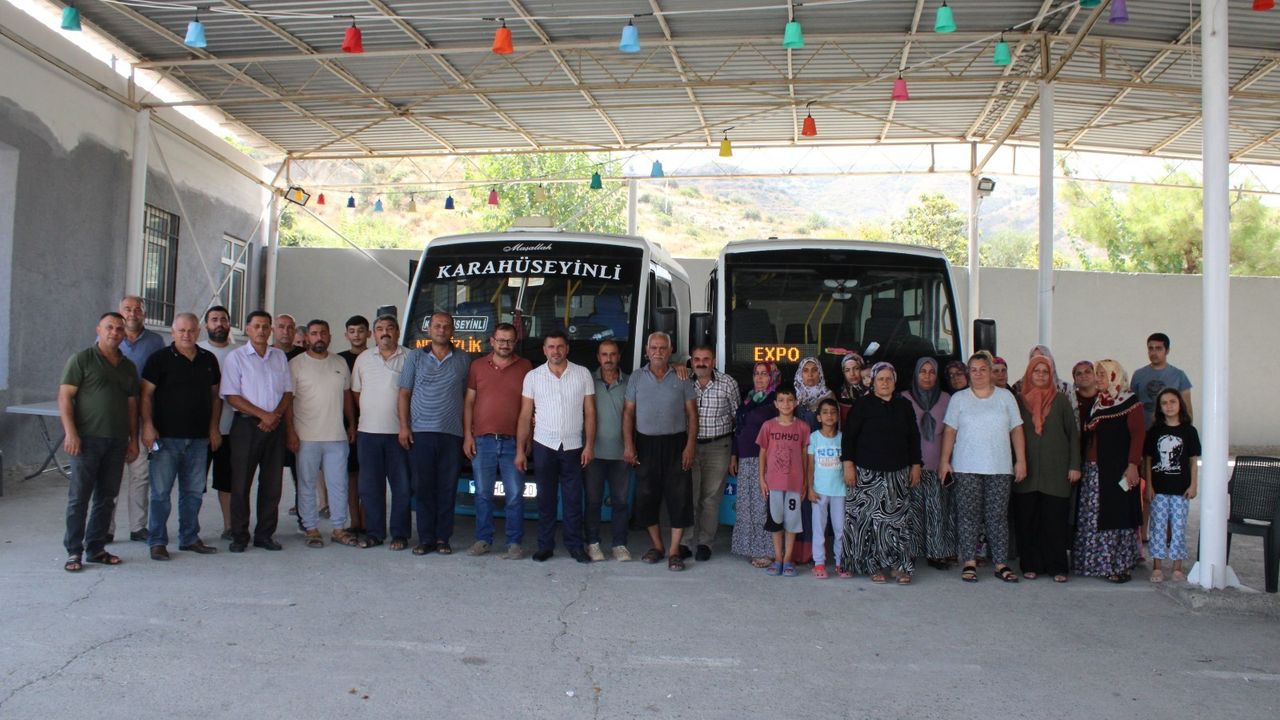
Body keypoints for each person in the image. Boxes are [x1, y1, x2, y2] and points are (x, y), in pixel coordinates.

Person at [58, 312, 140, 571]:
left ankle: (96, 548)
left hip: (116, 442)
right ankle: (74, 551)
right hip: (86, 440)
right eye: (109, 327)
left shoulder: (128, 367)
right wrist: (71, 432)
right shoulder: (82, 359)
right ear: (99, 329)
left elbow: (131, 406)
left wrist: (133, 439)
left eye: (119, 329)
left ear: (124, 334)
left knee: (107, 497)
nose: (114, 332)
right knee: (79, 497)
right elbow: (65, 398)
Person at [938, 353, 1027, 583]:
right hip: (966, 466)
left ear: (990, 372)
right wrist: (944, 461)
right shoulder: (959, 399)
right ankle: (969, 562)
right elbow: (950, 431)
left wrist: (1021, 460)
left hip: (999, 466)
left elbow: (1016, 429)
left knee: (997, 517)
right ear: (969, 373)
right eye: (974, 369)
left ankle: (1000, 563)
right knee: (968, 516)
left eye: (982, 369)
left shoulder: (1006, 397)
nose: (978, 373)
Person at [140, 312, 222, 560]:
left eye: (191, 330)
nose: (186, 335)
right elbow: (145, 395)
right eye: (181, 331)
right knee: (161, 493)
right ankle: (157, 541)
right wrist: (147, 426)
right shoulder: (159, 359)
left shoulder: (209, 359)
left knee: (194, 492)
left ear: (199, 332)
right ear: (173, 332)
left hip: (198, 439)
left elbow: (215, 397)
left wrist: (213, 428)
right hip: (166, 438)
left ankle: (189, 537)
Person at [516, 331, 595, 563]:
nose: (556, 351)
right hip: (544, 445)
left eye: (560, 346)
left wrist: (589, 445)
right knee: (545, 499)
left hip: (573, 446)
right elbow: (524, 415)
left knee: (573, 498)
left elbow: (590, 412)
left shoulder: (582, 374)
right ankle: (545, 546)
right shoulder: (533, 376)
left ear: (567, 349)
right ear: (544, 350)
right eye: (551, 347)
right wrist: (520, 450)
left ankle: (575, 545)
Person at [840, 363, 922, 584]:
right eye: (880, 379)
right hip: (867, 474)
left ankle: (899, 566)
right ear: (873, 382)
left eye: (889, 379)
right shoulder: (863, 405)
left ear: (895, 381)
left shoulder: (904, 406)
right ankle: (872, 566)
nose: (885, 383)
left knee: (898, 522)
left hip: (898, 473)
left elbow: (914, 438)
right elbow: (849, 437)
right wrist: (848, 465)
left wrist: (916, 465)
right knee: (868, 523)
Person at [623, 332, 698, 571]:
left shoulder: (681, 376)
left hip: (676, 443)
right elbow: (628, 414)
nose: (657, 352)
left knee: (679, 498)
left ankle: (675, 550)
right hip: (645, 444)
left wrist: (689, 446)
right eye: (653, 347)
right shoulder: (636, 377)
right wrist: (629, 444)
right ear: (646, 350)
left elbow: (692, 415)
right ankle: (657, 546)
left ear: (670, 349)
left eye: (662, 348)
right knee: (646, 497)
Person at [221, 310, 293, 553]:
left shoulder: (279, 357)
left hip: (275, 426)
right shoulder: (236, 357)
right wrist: (263, 415)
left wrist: (275, 416)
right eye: (257, 326)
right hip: (246, 426)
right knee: (241, 483)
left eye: (265, 326)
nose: (261, 330)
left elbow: (287, 392)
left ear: (270, 330)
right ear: (248, 330)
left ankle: (265, 535)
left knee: (272, 484)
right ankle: (239, 536)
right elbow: (231, 395)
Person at [399, 312, 470, 556]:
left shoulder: (463, 359)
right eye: (437, 326)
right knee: (423, 487)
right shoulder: (415, 357)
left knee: (447, 488)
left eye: (446, 326)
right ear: (428, 330)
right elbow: (404, 393)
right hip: (421, 432)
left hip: (452, 434)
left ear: (452, 331)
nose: (441, 329)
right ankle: (426, 538)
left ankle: (443, 538)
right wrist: (404, 426)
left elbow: (465, 396)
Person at [462, 322, 532, 558]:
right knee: (483, 493)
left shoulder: (526, 367)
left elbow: (529, 407)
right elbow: (469, 403)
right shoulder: (477, 366)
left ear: (515, 342)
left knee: (514, 495)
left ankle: (514, 543)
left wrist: (526, 441)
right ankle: (483, 539)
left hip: (513, 442)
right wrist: (467, 436)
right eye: (500, 340)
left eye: (509, 340)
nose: (505, 344)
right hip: (483, 441)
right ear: (492, 341)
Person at [287, 320, 358, 549]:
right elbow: (288, 401)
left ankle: (339, 528)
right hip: (306, 436)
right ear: (307, 337)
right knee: (306, 484)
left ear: (329, 336)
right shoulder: (296, 364)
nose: (319, 337)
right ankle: (311, 528)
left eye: (323, 333)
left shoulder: (340, 362)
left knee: (339, 484)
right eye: (314, 333)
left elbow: (347, 396)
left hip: (336, 436)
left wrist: (351, 424)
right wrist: (290, 432)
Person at [1073, 359, 1145, 583]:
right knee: (1094, 515)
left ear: (1115, 375)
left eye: (1103, 374)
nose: (1099, 378)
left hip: (1118, 470)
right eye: (1098, 374)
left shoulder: (1129, 402)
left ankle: (1117, 565)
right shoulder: (1099, 403)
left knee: (1116, 515)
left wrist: (1133, 465)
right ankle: (1094, 564)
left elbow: (1138, 435)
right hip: (1095, 471)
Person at [1012, 355, 1081, 583]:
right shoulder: (1019, 401)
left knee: (1055, 522)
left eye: (1045, 372)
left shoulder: (1060, 400)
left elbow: (1073, 435)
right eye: (1036, 371)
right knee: (1028, 521)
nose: (1040, 375)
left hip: (1056, 472)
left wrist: (1074, 465)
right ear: (1029, 373)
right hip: (1027, 473)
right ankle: (1031, 565)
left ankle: (1057, 566)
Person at [352, 315, 412, 550]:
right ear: (373, 334)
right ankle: (374, 532)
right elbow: (357, 393)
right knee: (370, 486)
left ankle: (400, 534)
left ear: (398, 332)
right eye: (379, 329)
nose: (384, 332)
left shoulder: (410, 357)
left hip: (400, 434)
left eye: (389, 328)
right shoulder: (364, 359)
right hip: (368, 433)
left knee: (402, 486)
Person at [116, 295, 165, 542]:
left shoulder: (156, 342)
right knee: (111, 475)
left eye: (137, 309)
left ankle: (137, 527)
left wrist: (152, 423)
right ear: (120, 311)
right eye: (127, 309)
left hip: (143, 417)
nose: (132, 313)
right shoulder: (109, 337)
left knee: (140, 473)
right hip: (113, 420)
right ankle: (104, 528)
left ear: (144, 314)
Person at [686, 345, 739, 562]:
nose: (701, 363)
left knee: (710, 498)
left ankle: (704, 543)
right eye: (697, 359)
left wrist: (735, 452)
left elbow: (738, 419)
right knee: (689, 496)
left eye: (706, 359)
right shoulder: (682, 381)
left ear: (713, 362)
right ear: (691, 362)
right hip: (689, 447)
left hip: (719, 446)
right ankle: (685, 543)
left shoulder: (728, 383)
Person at [1143, 388, 1200, 583]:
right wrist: (1149, 486)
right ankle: (1157, 566)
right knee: (1158, 527)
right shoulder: (1155, 432)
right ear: (1159, 408)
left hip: (1181, 490)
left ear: (1180, 405)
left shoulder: (1189, 431)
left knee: (1178, 527)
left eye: (1172, 402)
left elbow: (1193, 461)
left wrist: (1193, 485)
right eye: (1164, 403)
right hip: (1159, 490)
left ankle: (1177, 566)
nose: (1169, 406)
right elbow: (1148, 460)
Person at [903, 357, 955, 570]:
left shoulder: (946, 399)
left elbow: (953, 431)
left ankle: (936, 552)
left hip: (938, 464)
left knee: (937, 510)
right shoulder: (904, 398)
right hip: (912, 465)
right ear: (916, 374)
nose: (927, 376)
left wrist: (948, 462)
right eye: (922, 371)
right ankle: (913, 551)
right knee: (913, 510)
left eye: (931, 372)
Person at [730, 362, 780, 568]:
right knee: (746, 506)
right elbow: (739, 430)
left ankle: (767, 551)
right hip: (745, 459)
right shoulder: (748, 400)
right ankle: (749, 547)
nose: (760, 378)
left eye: (764, 375)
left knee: (762, 506)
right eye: (756, 374)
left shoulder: (775, 401)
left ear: (772, 378)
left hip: (764, 460)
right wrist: (734, 455)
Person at [586, 340, 632, 561]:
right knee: (593, 501)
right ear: (598, 357)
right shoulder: (587, 381)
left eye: (612, 354)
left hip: (620, 454)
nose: (608, 359)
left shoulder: (630, 382)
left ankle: (619, 544)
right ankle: (593, 543)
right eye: (604, 354)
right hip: (593, 453)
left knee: (621, 502)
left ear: (618, 357)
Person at [756, 387, 809, 576]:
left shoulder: (803, 427)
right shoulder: (768, 426)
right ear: (776, 404)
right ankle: (778, 558)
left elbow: (804, 455)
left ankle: (788, 560)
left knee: (792, 522)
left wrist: (804, 482)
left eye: (789, 400)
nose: (786, 404)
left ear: (795, 403)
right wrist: (762, 478)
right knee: (775, 522)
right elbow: (762, 453)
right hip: (773, 483)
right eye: (781, 400)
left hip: (794, 484)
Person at [198, 306, 237, 540]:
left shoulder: (238, 353)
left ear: (229, 324)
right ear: (206, 326)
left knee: (228, 482)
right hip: (199, 431)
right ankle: (190, 528)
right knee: (195, 483)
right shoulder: (197, 351)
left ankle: (230, 526)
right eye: (214, 320)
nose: (219, 323)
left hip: (231, 429)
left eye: (223, 319)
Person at [337, 315, 370, 535]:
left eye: (361, 330)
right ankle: (354, 521)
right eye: (352, 331)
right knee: (351, 474)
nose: (356, 335)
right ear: (346, 335)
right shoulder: (338, 360)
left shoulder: (375, 357)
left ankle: (367, 520)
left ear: (369, 333)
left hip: (371, 424)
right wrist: (350, 423)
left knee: (369, 474)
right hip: (345, 424)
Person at [807, 398, 844, 578]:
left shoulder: (843, 438)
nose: (829, 415)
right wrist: (810, 488)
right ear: (819, 417)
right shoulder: (814, 437)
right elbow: (810, 466)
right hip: (819, 490)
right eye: (825, 412)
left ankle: (840, 562)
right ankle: (819, 563)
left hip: (840, 491)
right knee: (819, 528)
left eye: (833, 412)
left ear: (837, 416)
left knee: (840, 529)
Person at [1131, 332, 1193, 427]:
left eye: (1159, 348)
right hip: (1144, 432)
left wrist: (1187, 431)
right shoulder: (1138, 375)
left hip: (1170, 432)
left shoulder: (1179, 375)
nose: (1154, 353)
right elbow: (1132, 407)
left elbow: (1187, 408)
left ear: (1167, 351)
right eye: (1151, 348)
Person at [793, 356, 834, 430]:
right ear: (800, 374)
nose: (810, 374)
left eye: (814, 370)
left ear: (820, 373)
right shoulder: (794, 395)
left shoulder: (828, 395)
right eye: (805, 370)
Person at [836, 352, 867, 425]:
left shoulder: (873, 391)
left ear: (862, 369)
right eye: (847, 370)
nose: (852, 374)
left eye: (856, 368)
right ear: (843, 373)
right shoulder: (838, 394)